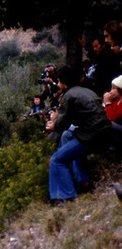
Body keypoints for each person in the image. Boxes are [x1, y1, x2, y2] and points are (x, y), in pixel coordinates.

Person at [45, 66, 114, 202]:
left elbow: (62, 124)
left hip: (92, 136)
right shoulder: (87, 91)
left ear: (64, 82)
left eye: (58, 82)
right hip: (105, 133)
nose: (58, 85)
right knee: (67, 136)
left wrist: (53, 124)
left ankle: (66, 196)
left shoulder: (68, 96)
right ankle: (83, 182)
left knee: (57, 160)